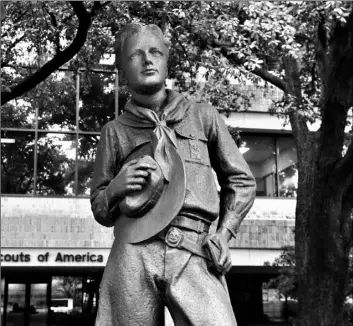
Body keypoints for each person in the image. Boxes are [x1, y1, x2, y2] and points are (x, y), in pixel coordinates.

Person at [90, 23, 256, 326]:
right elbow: (99, 208)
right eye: (135, 55)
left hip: (195, 248)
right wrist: (115, 189)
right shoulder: (113, 132)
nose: (147, 60)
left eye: (155, 52)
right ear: (122, 67)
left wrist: (225, 234)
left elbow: (241, 180)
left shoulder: (203, 117)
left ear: (167, 59)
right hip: (132, 252)